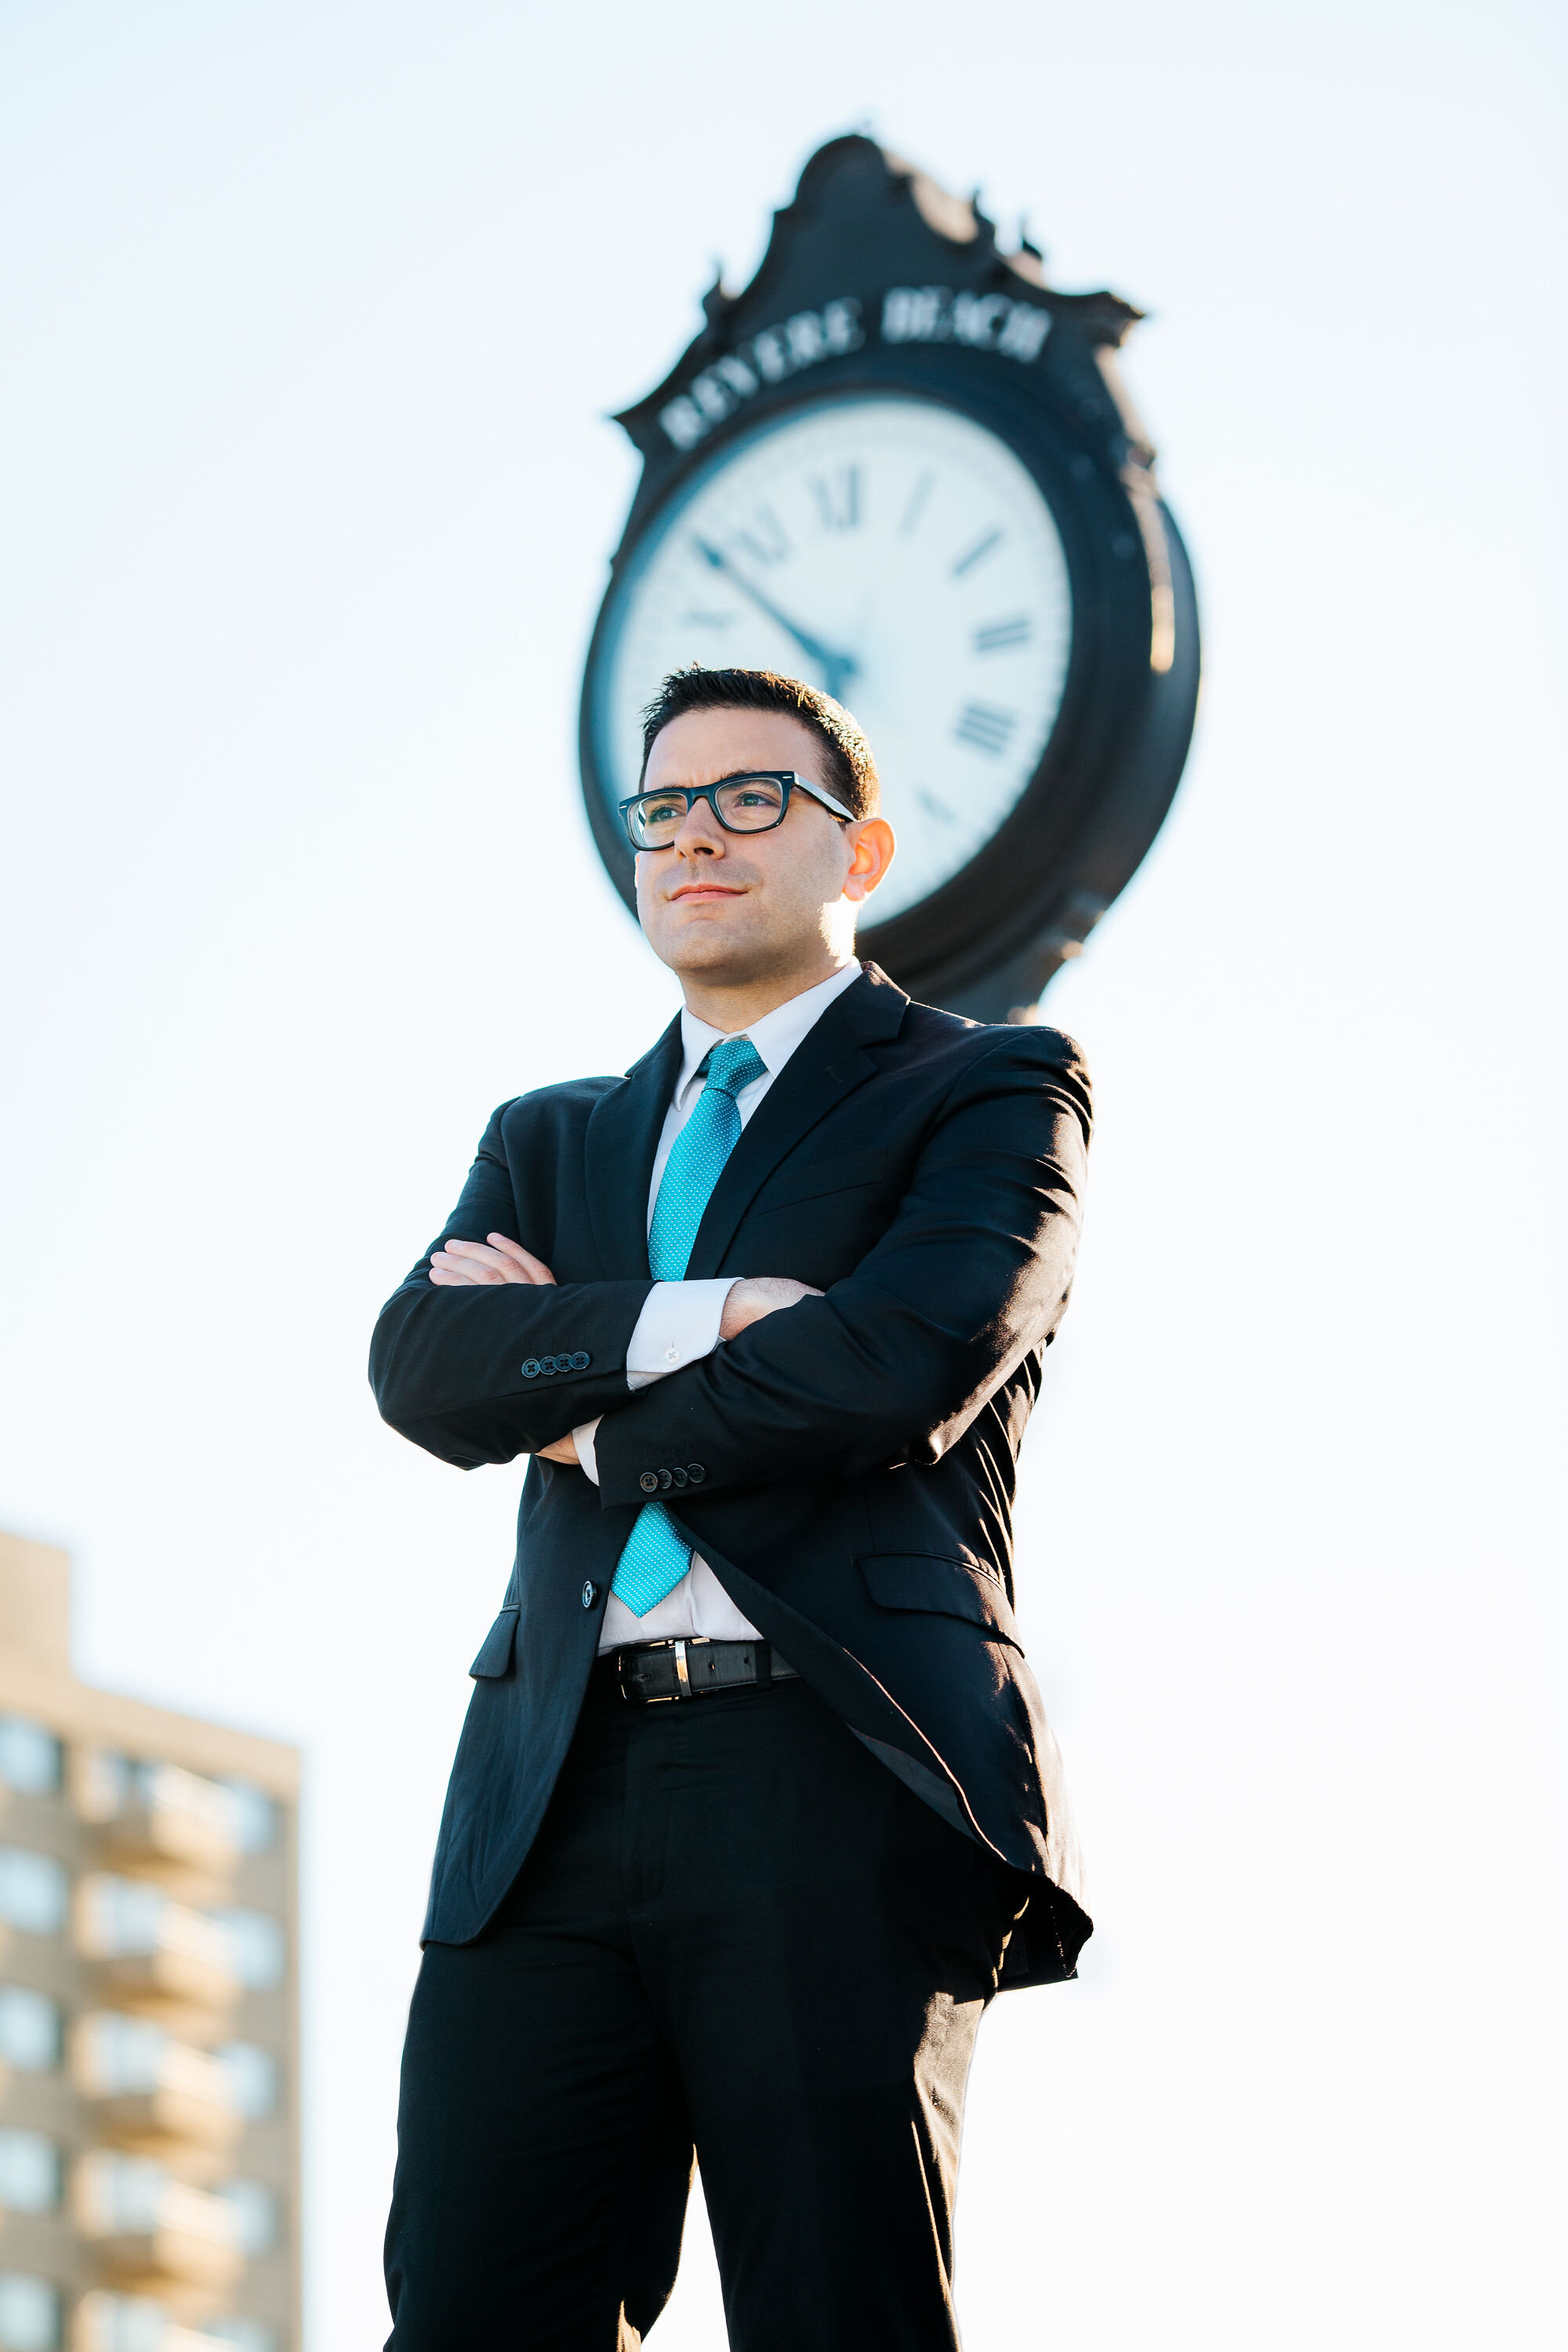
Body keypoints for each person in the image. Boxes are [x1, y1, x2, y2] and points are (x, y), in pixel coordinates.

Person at [371, 666, 1094, 2351]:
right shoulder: (545, 1138)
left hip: (829, 1764)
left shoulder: (987, 1087)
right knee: (471, 2315)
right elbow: (423, 1368)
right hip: (542, 1797)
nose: (697, 834)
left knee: (835, 2312)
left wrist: (593, 1429)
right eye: (663, 807)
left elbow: (898, 1364)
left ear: (863, 850)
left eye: (752, 798)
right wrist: (711, 1315)